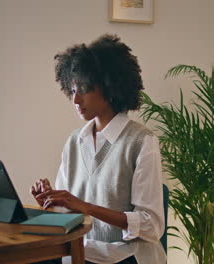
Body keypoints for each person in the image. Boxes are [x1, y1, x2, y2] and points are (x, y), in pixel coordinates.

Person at [30, 34, 166, 264]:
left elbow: (151, 225)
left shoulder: (141, 142)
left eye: (83, 89)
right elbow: (70, 215)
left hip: (125, 256)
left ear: (109, 85)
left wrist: (86, 207)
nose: (76, 100)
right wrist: (53, 202)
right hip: (84, 251)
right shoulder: (75, 142)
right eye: (72, 90)